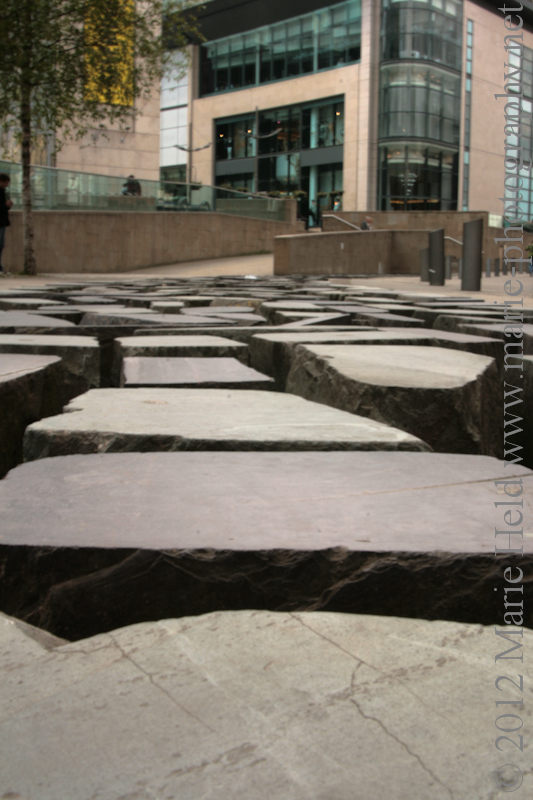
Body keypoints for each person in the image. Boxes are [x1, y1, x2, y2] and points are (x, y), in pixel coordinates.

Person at [0, 173, 12, 276]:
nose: (7, 185)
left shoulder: (4, 192)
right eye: (6, 183)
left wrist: (8, 205)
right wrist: (5, 205)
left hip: (2, 221)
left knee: (1, 244)